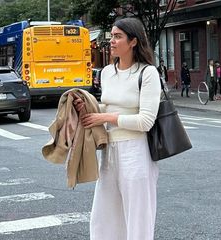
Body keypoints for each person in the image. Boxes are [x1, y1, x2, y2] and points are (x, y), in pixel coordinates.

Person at [74, 18, 161, 240]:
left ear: (133, 41)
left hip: (137, 151)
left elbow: (146, 121)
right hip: (109, 150)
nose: (111, 41)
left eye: (117, 36)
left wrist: (105, 116)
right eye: (111, 36)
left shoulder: (148, 73)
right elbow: (109, 105)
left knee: (137, 217)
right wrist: (89, 107)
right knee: (104, 217)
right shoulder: (106, 73)